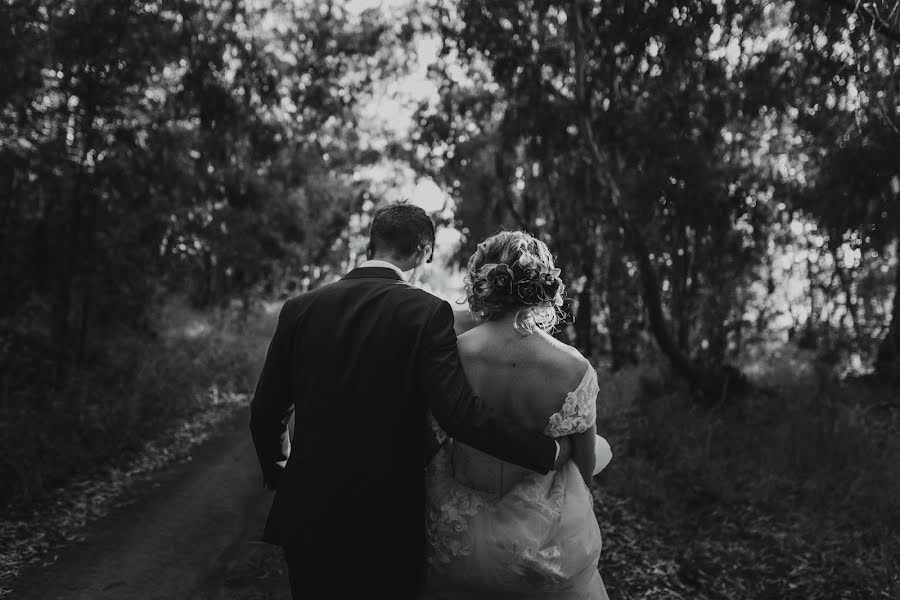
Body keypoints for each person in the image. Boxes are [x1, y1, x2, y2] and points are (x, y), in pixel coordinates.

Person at [249, 203, 572, 599]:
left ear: (371, 244)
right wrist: (547, 450)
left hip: (307, 515)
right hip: (384, 522)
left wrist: (279, 470)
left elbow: (265, 411)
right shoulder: (426, 312)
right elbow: (459, 416)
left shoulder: (299, 309)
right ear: (424, 251)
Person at [422, 230, 611, 599]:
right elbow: (585, 470)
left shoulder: (452, 354)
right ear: (543, 285)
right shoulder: (574, 367)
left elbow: (432, 440)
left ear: (483, 281)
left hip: (458, 540)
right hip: (541, 549)